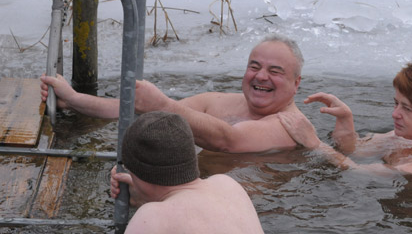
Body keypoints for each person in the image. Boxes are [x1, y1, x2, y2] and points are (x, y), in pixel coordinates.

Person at [0, 111, 274, 234]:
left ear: (135, 170)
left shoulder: (156, 219)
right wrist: (143, 190)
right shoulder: (227, 185)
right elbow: (185, 218)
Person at [40, 34, 307, 153]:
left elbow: (229, 141)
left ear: (296, 84)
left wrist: (164, 105)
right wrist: (73, 100)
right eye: (254, 66)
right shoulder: (217, 101)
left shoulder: (289, 125)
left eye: (275, 71)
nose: (261, 76)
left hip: (243, 218)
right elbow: (128, 108)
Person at [278, 56, 412, 176]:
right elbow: (355, 152)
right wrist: (346, 123)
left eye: (407, 109)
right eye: (396, 103)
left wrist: (315, 144)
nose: (395, 114)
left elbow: (358, 172)